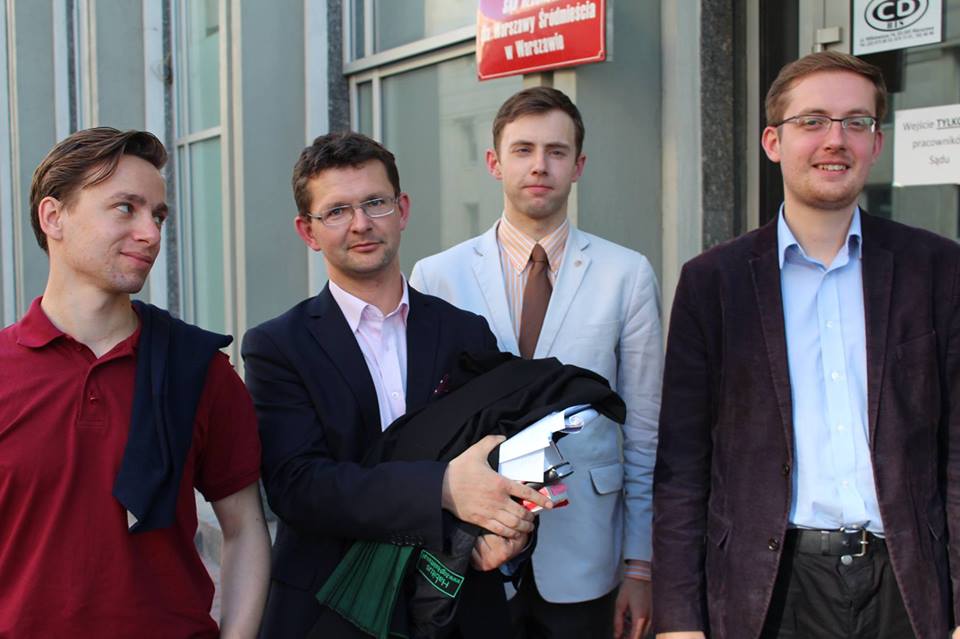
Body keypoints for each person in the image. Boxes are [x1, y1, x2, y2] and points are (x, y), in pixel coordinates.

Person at [653, 51, 960, 639]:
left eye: (856, 122)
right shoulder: (713, 283)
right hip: (770, 590)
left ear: (877, 143)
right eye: (813, 121)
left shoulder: (937, 269)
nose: (835, 140)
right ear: (773, 142)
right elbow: (683, 468)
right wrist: (679, 622)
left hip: (907, 585)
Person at [242, 131, 553, 638]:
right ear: (308, 231)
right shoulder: (277, 347)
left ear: (402, 209)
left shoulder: (464, 332)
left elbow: (502, 448)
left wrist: (509, 529)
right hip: (332, 607)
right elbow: (298, 486)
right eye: (336, 211)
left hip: (459, 603)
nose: (361, 223)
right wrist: (442, 489)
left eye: (375, 203)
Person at [411, 86, 662, 639]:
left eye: (556, 151)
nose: (540, 165)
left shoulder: (627, 274)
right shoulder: (437, 276)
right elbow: (424, 427)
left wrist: (640, 566)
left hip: (587, 548)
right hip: (473, 545)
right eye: (523, 150)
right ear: (494, 162)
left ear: (579, 166)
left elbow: (645, 431)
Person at [0, 127, 270, 638]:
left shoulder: (199, 368)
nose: (151, 233)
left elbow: (244, 529)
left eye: (158, 215)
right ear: (53, 217)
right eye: (125, 208)